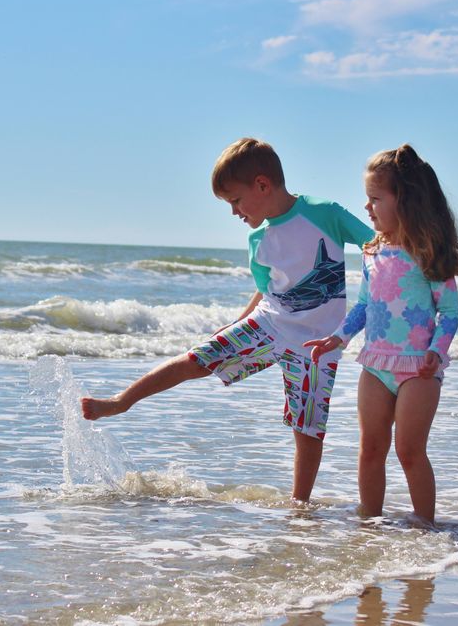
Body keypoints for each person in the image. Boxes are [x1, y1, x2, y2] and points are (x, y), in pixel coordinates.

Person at [82, 137, 373, 502]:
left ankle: (300, 507)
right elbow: (267, 290)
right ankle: (121, 401)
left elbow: (375, 244)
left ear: (262, 185)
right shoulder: (258, 240)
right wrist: (238, 322)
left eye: (235, 200)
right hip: (269, 324)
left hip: (317, 344)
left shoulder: (325, 213)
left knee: (308, 428)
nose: (234, 211)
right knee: (196, 359)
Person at [305, 144, 458, 525]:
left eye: (375, 199)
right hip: (375, 364)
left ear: (405, 200)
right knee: (370, 449)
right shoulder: (372, 251)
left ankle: (426, 529)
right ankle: (369, 527)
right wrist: (337, 338)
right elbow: (364, 306)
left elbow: (450, 312)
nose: (367, 208)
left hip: (419, 371)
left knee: (410, 452)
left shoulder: (428, 251)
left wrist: (436, 352)